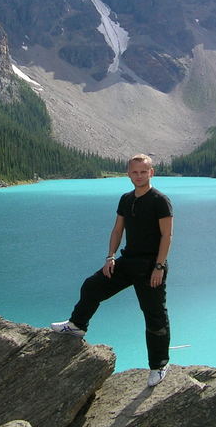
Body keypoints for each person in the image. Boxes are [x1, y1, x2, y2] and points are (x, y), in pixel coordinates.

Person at [51, 153, 173, 387]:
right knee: (92, 285)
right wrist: (110, 256)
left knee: (154, 316)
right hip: (127, 261)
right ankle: (77, 325)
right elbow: (117, 230)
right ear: (128, 174)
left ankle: (159, 365)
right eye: (134, 172)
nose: (139, 176)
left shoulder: (160, 200)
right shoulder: (126, 199)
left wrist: (159, 266)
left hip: (150, 266)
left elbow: (167, 235)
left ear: (151, 173)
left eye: (143, 172)